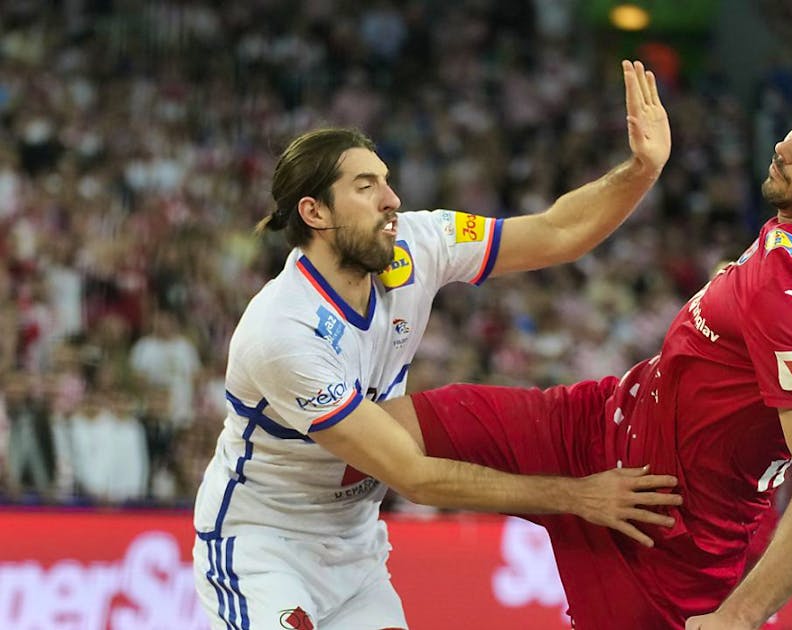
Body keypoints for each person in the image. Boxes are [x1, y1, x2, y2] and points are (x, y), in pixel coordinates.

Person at [382, 62, 792, 628]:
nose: (785, 147)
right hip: (593, 422)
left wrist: (738, 616)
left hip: (660, 530)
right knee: (381, 430)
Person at [192, 60, 682, 630]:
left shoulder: (418, 242)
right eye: (365, 186)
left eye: (386, 179)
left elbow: (556, 231)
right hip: (264, 547)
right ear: (314, 212)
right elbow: (415, 476)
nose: (391, 198)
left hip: (355, 547)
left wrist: (643, 169)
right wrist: (578, 497)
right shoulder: (283, 331)